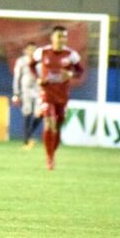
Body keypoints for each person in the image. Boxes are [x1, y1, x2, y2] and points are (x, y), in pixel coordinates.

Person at [29, 25, 83, 170]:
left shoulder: (71, 55)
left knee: (57, 126)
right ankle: (49, 158)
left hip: (62, 95)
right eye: (59, 36)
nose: (61, 39)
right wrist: (38, 79)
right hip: (46, 93)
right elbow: (31, 65)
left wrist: (71, 74)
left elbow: (80, 71)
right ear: (52, 37)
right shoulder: (42, 52)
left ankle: (52, 152)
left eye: (64, 36)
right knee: (49, 121)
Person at [11, 42, 41, 150]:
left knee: (40, 113)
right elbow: (17, 77)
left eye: (34, 49)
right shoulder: (21, 61)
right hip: (26, 90)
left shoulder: (40, 61)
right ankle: (26, 141)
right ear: (26, 50)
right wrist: (16, 93)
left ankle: (28, 135)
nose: (32, 52)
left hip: (38, 90)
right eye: (30, 49)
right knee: (27, 113)